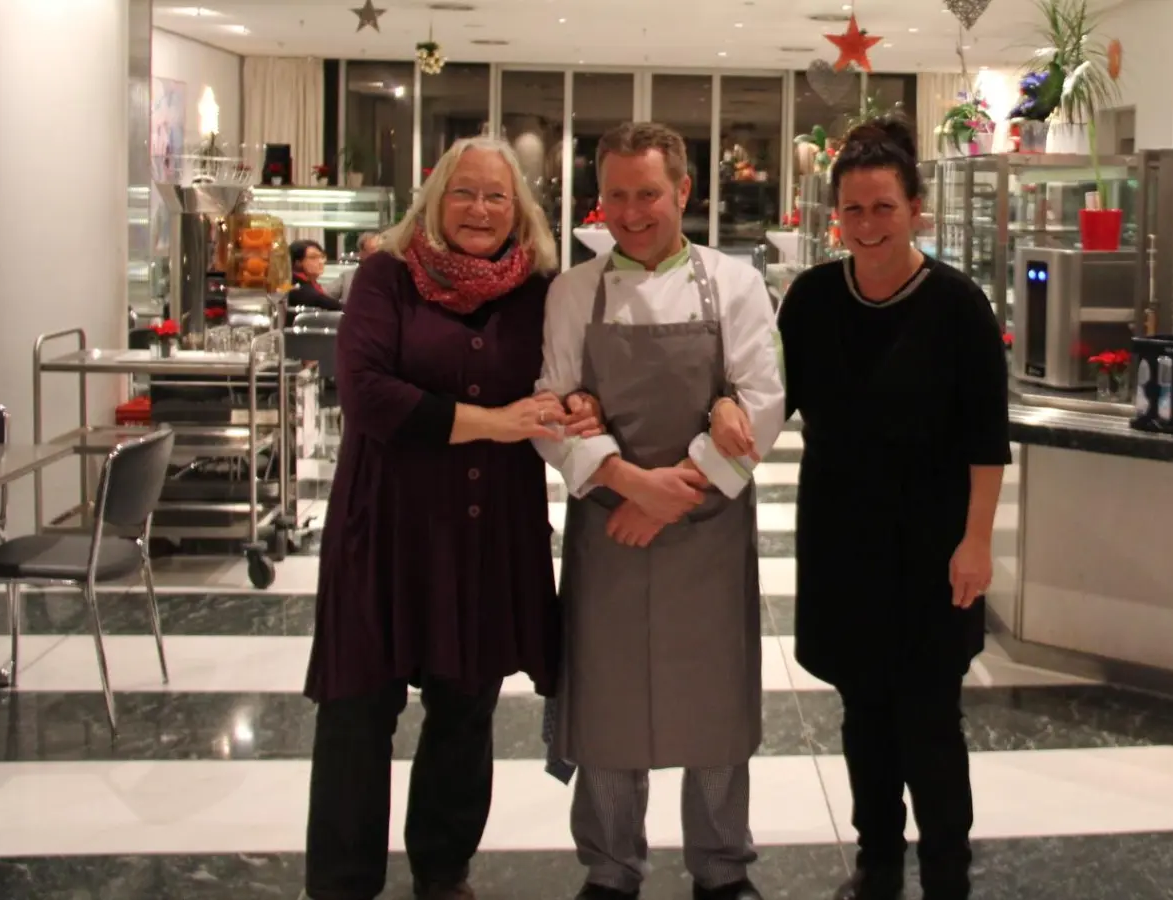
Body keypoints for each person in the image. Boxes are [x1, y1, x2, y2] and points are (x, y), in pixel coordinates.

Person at [301, 135, 602, 900]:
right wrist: (497, 423)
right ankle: (342, 883)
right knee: (357, 707)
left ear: (518, 209)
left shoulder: (538, 289)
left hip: (484, 529)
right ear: (434, 201)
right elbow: (366, 395)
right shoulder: (385, 277)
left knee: (465, 707)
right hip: (386, 526)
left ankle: (443, 871)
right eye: (464, 193)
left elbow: (567, 378)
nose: (479, 209)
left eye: (496, 197)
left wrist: (577, 404)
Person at [533, 121, 785, 900]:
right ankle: (610, 871)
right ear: (597, 199)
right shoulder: (574, 290)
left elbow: (764, 404)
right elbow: (551, 411)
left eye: (648, 194)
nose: (632, 212)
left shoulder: (735, 283)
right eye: (616, 195)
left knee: (712, 704)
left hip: (705, 530)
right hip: (610, 527)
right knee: (608, 707)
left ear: (683, 191)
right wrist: (630, 485)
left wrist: (675, 494)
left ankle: (720, 868)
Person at [773, 116, 1010, 900]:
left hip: (934, 542)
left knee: (929, 714)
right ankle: (877, 856)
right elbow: (770, 401)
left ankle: (946, 867)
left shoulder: (958, 306)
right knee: (861, 708)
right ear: (832, 215)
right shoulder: (809, 301)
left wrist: (977, 542)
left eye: (884, 207)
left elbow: (986, 440)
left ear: (917, 209)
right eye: (853, 210)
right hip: (841, 538)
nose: (868, 225)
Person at [288, 239, 344, 318]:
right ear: (298, 263)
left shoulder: (311, 284)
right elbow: (325, 302)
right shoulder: (297, 287)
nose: (321, 261)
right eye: (313, 257)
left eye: (322, 257)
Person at [327, 231, 383, 301]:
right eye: (373, 251)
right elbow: (324, 296)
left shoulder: (393, 278)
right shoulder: (347, 277)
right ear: (361, 253)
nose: (378, 256)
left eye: (381, 251)